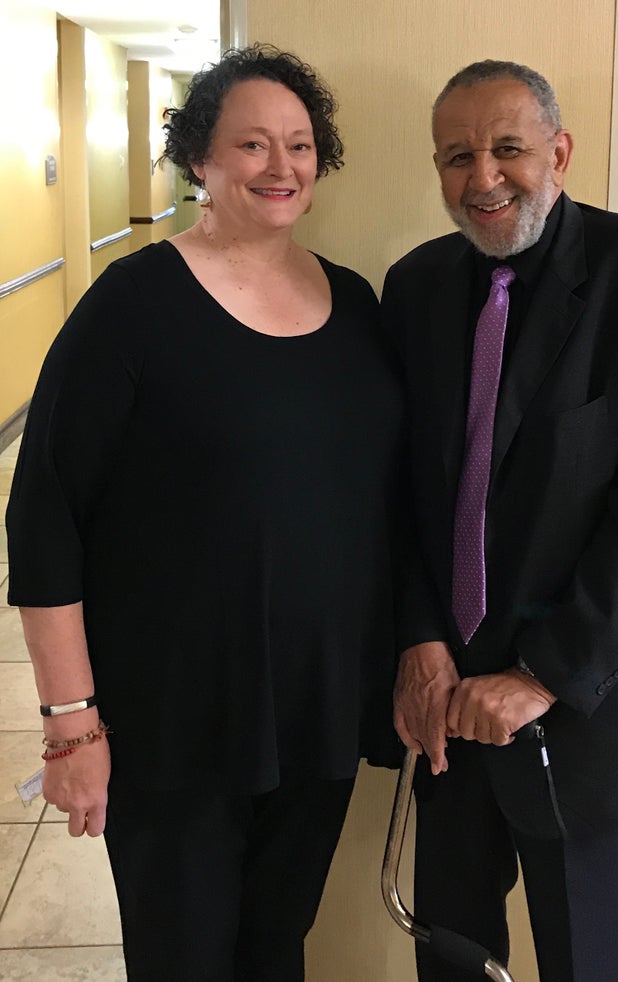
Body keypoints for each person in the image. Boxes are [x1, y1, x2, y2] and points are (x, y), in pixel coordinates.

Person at [7, 44, 403, 982]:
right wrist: (72, 728)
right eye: (253, 144)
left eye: (300, 145)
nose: (281, 166)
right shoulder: (132, 307)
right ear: (201, 161)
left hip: (317, 709)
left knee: (276, 948)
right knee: (183, 957)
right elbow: (45, 517)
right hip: (173, 717)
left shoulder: (353, 303)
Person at [382, 59, 618, 982]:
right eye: (457, 156)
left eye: (507, 149)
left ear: (561, 153)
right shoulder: (413, 291)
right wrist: (418, 640)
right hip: (448, 715)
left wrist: (541, 675)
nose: (481, 177)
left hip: (589, 716)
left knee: (585, 964)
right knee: (450, 958)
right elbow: (400, 494)